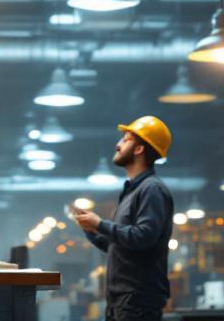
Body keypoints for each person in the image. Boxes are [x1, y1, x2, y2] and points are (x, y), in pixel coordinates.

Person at [72, 115, 175, 321]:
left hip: (137, 301)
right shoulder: (132, 191)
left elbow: (143, 237)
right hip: (122, 300)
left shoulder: (151, 189)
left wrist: (100, 223)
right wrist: (92, 229)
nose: (117, 144)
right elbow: (119, 246)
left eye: (126, 139)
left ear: (139, 149)